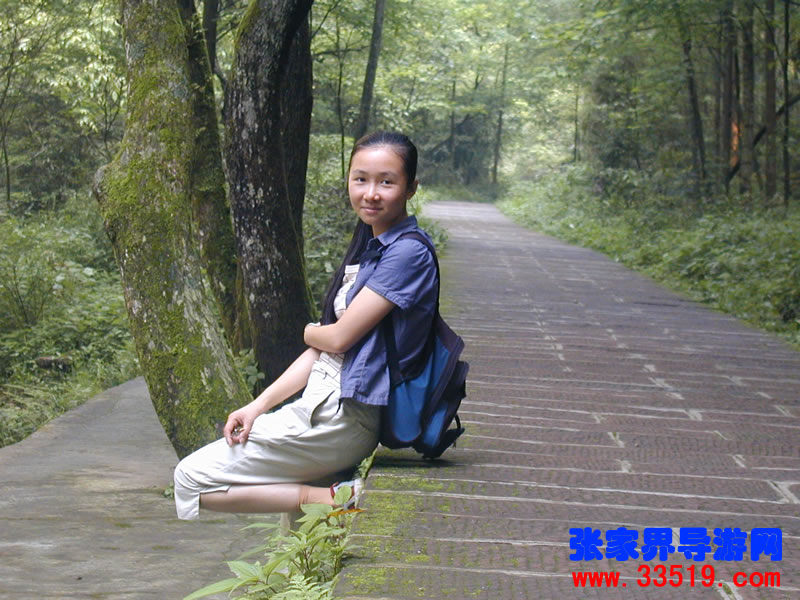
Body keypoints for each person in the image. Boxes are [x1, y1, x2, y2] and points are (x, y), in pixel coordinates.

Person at [173, 131, 438, 520]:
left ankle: (335, 498)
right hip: (323, 405)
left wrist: (309, 330)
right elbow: (323, 352)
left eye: (387, 182)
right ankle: (323, 500)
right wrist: (257, 406)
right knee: (303, 535)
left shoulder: (407, 253)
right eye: (360, 179)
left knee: (190, 478)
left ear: (411, 188)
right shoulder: (373, 246)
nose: (371, 193)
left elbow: (337, 338)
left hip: (341, 415)